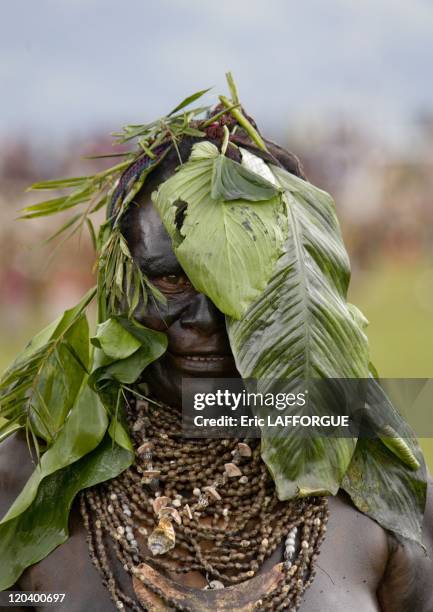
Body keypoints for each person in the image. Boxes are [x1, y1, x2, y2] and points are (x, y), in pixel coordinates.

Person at [1, 105, 432, 612]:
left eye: (240, 282)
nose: (207, 319)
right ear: (119, 288)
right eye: (172, 279)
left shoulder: (386, 496)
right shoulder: (23, 482)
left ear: (301, 297)